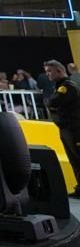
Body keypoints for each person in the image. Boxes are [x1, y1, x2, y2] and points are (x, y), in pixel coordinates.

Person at [42, 60, 80, 197]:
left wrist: (50, 103)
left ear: (59, 70)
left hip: (74, 130)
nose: (48, 74)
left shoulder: (67, 86)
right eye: (46, 71)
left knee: (78, 158)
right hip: (66, 129)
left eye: (50, 71)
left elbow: (52, 102)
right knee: (74, 160)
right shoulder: (59, 87)